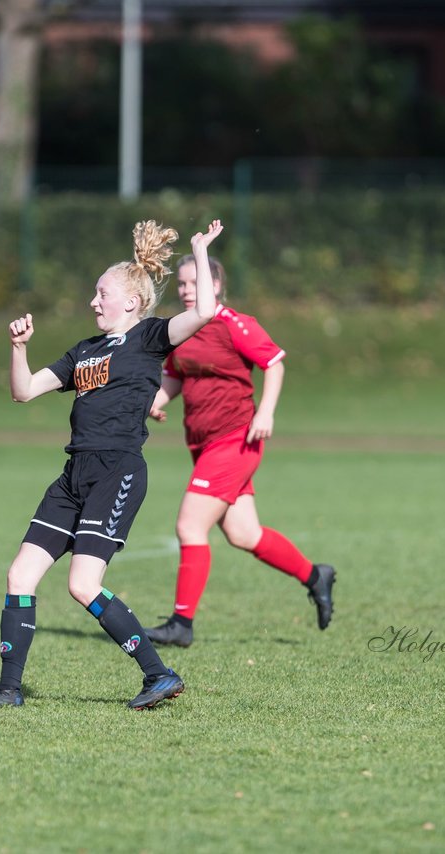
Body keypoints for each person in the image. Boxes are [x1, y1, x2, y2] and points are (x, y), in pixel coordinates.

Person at [0, 219, 223, 711]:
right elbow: (23, 391)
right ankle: (8, 689)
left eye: (101, 293)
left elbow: (205, 311)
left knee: (82, 584)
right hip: (73, 476)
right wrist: (18, 348)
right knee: (20, 576)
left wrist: (198, 250)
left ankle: (159, 673)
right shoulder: (82, 352)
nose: (94, 301)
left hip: (117, 472)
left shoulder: (151, 336)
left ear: (131, 301)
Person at [142, 251, 335, 648]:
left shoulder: (235, 325)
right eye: (181, 284)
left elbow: (275, 364)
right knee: (244, 534)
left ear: (215, 286)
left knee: (189, 525)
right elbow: (175, 376)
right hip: (203, 443)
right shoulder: (181, 329)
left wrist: (266, 413)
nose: (186, 290)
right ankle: (316, 576)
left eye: (194, 283)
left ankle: (181, 623)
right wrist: (156, 401)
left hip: (236, 440)